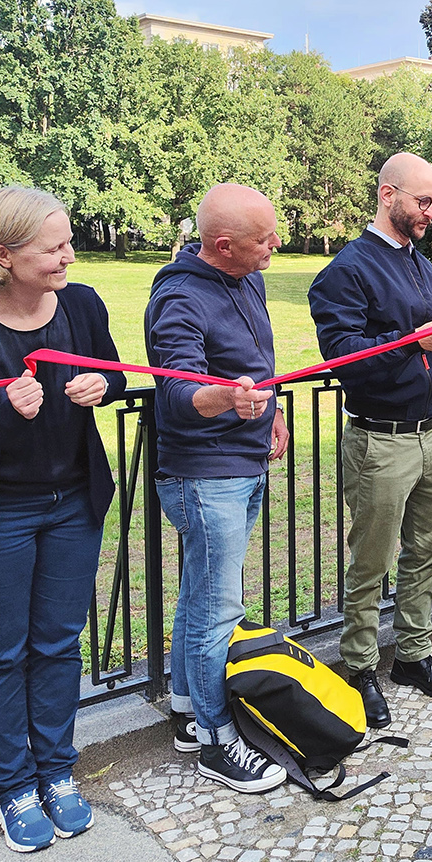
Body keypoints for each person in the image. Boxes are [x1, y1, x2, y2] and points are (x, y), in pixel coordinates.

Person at [0, 187, 126, 852]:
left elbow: (114, 373)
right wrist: (6, 415)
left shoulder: (83, 305)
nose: (69, 255)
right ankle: (13, 785)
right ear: (3, 255)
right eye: (54, 247)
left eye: (68, 242)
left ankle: (57, 772)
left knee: (59, 644)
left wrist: (104, 385)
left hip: (73, 507)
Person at [310, 154, 432, 725]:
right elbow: (344, 358)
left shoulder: (422, 266)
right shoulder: (346, 271)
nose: (431, 212)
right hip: (381, 439)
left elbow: (426, 348)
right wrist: (416, 341)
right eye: (423, 201)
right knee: (372, 560)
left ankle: (413, 655)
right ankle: (359, 667)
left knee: (428, 550)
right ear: (387, 195)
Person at [147, 183, 289, 793]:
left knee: (200, 598)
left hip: (243, 461)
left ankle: (186, 708)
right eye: (263, 239)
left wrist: (270, 409)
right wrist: (227, 398)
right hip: (205, 476)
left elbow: (257, 363)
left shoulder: (248, 278)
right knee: (217, 611)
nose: (276, 243)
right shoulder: (179, 298)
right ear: (223, 245)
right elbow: (179, 393)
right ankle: (215, 740)